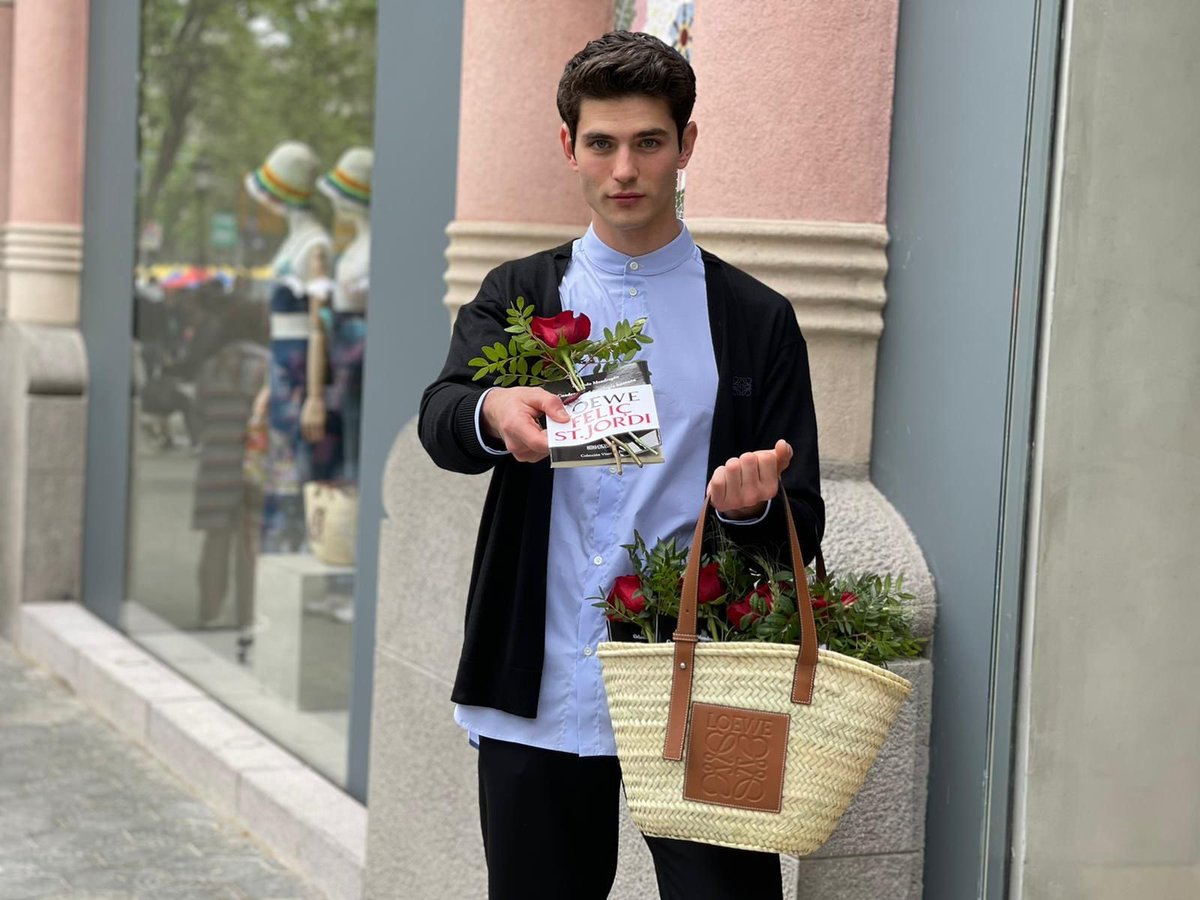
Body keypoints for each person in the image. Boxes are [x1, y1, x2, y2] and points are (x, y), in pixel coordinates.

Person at [419, 30, 824, 900]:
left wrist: (753, 506)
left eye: (648, 141)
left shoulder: (758, 319)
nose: (625, 168)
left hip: (705, 676)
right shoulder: (520, 295)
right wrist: (492, 409)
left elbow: (804, 512)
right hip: (538, 673)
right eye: (601, 143)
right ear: (570, 147)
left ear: (686, 146)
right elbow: (442, 419)